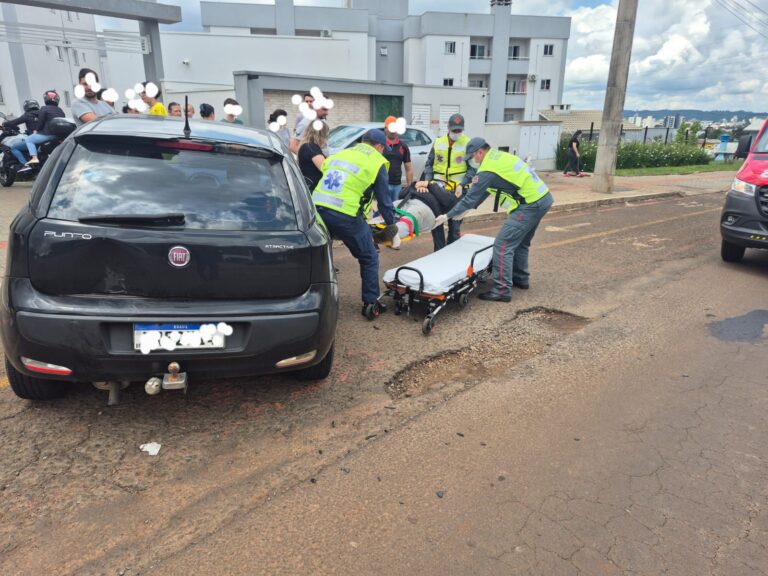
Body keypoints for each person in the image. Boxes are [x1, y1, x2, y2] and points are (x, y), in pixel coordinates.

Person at [434, 138, 553, 303]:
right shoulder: (498, 157)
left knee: (502, 245)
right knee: (521, 242)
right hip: (543, 197)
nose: (473, 161)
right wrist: (466, 210)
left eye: (473, 157)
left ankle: (502, 290)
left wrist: (447, 215)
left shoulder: (487, 169)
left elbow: (470, 198)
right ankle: (520, 278)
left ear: (480, 152)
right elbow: (481, 194)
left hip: (530, 204)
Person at [312, 129, 397, 317]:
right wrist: (392, 226)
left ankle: (316, 298)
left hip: (316, 209)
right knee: (369, 256)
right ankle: (371, 303)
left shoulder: (342, 152)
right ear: (380, 146)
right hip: (344, 214)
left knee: (322, 255)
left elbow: (327, 172)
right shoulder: (377, 162)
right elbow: (384, 200)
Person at [416, 113, 474, 251]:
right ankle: (439, 253)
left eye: (459, 130)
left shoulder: (468, 144)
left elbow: (473, 169)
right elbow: (429, 164)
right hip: (438, 190)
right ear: (448, 127)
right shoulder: (438, 142)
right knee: (436, 224)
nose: (457, 133)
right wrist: (428, 182)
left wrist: (463, 183)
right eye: (454, 130)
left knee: (454, 226)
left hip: (458, 192)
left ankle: (451, 254)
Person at [24, 90, 64, 165]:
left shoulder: (44, 108)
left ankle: (34, 158)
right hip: (58, 136)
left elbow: (41, 122)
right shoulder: (60, 110)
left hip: (47, 135)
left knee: (29, 139)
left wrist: (37, 130)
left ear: (45, 99)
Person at [383, 115, 413, 204]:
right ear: (385, 128)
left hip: (397, 186)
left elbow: (409, 169)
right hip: (383, 184)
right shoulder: (380, 145)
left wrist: (409, 187)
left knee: (396, 210)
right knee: (381, 212)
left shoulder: (403, 146)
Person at [2, 99, 39, 165]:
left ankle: (25, 164)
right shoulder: (42, 113)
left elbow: (15, 122)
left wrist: (4, 124)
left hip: (34, 140)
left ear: (26, 107)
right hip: (44, 138)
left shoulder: (27, 115)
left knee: (14, 148)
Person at [298, 120, 328, 191]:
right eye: (326, 135)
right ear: (321, 134)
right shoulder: (311, 147)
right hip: (314, 190)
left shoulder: (306, 146)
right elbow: (325, 168)